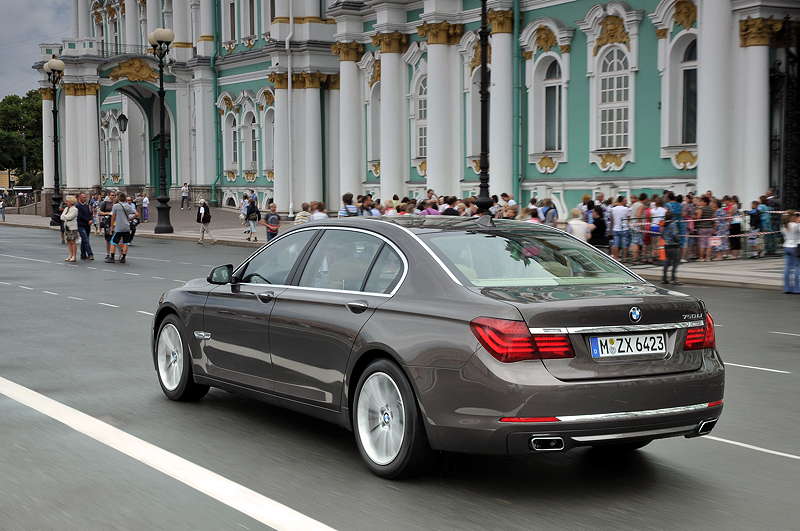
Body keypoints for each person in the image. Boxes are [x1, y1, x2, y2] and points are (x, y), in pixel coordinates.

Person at [107, 192, 137, 263]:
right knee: (125, 242)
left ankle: (112, 257)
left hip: (118, 227)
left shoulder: (116, 206)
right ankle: (123, 257)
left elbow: (113, 217)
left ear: (118, 198)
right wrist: (130, 219)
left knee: (113, 242)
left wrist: (111, 227)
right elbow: (137, 214)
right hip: (126, 227)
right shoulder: (128, 206)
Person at [660, 211, 682, 285]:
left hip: (666, 245)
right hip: (674, 245)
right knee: (675, 262)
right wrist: (678, 240)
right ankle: (673, 279)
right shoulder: (673, 224)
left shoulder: (663, 224)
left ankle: (664, 278)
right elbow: (675, 234)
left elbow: (662, 235)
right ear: (672, 217)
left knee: (667, 261)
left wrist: (666, 239)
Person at [781, 211, 800, 294]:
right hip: (795, 247)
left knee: (787, 267)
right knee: (797, 267)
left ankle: (787, 288)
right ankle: (797, 288)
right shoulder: (795, 225)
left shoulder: (783, 226)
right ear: (792, 217)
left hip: (786, 246)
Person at [97, 191, 117, 261]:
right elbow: (99, 212)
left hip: (116, 223)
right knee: (108, 239)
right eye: (112, 195)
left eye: (114, 195)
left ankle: (119, 254)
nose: (113, 197)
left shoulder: (117, 204)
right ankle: (108, 254)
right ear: (109, 196)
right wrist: (108, 213)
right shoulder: (105, 203)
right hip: (108, 223)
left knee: (118, 239)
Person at [610, 196, 631, 260]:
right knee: (624, 244)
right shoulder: (626, 209)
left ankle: (616, 258)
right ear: (621, 201)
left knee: (616, 244)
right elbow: (629, 218)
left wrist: (612, 228)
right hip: (624, 228)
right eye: (625, 200)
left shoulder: (613, 209)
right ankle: (624, 258)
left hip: (616, 228)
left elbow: (612, 220)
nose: (626, 202)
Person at [75, 192, 94, 261]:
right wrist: (88, 220)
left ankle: (83, 254)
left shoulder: (87, 205)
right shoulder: (77, 206)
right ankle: (90, 254)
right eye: (83, 197)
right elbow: (80, 216)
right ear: (79, 198)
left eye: (85, 197)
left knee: (84, 240)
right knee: (85, 239)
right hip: (81, 225)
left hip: (87, 225)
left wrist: (91, 219)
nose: (85, 198)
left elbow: (91, 213)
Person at [60, 195, 79, 262]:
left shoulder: (75, 209)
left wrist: (65, 216)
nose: (66, 202)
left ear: (71, 202)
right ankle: (70, 255)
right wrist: (65, 217)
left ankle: (74, 256)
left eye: (67, 201)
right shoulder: (66, 209)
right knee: (68, 241)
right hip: (66, 227)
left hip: (72, 227)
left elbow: (70, 217)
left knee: (73, 242)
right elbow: (61, 217)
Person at [695, 196, 715, 262]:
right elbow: (713, 218)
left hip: (702, 228)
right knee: (709, 244)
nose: (700, 202)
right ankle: (708, 257)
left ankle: (701, 258)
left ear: (705, 202)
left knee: (702, 243)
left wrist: (695, 216)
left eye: (701, 201)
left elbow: (698, 217)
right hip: (710, 228)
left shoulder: (701, 209)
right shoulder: (711, 209)